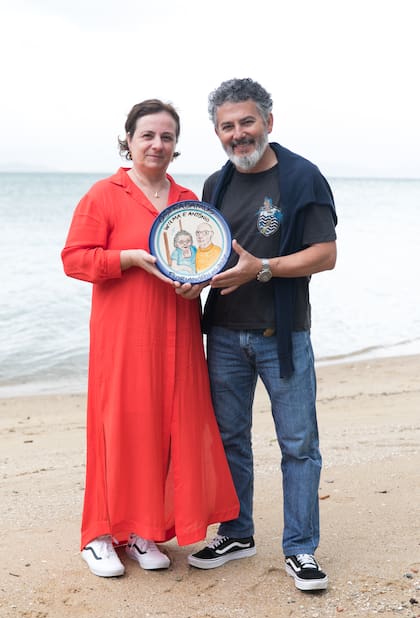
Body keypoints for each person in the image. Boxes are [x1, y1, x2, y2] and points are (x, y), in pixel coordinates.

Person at [61, 99, 239, 578]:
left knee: (165, 427)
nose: (157, 144)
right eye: (148, 136)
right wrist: (126, 259)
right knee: (116, 424)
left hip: (177, 329)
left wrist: (199, 281)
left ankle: (143, 530)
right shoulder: (105, 194)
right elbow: (74, 259)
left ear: (176, 145)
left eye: (167, 137)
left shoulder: (187, 202)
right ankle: (98, 534)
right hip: (123, 333)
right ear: (130, 140)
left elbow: (204, 260)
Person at [185, 78, 337, 591]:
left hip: (283, 335)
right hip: (224, 334)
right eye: (227, 126)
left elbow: (325, 254)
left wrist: (263, 268)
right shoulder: (215, 185)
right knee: (230, 440)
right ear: (217, 133)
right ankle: (237, 531)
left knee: (298, 445)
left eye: (246, 122)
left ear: (268, 122)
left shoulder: (302, 177)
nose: (238, 134)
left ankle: (300, 549)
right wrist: (192, 281)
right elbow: (214, 256)